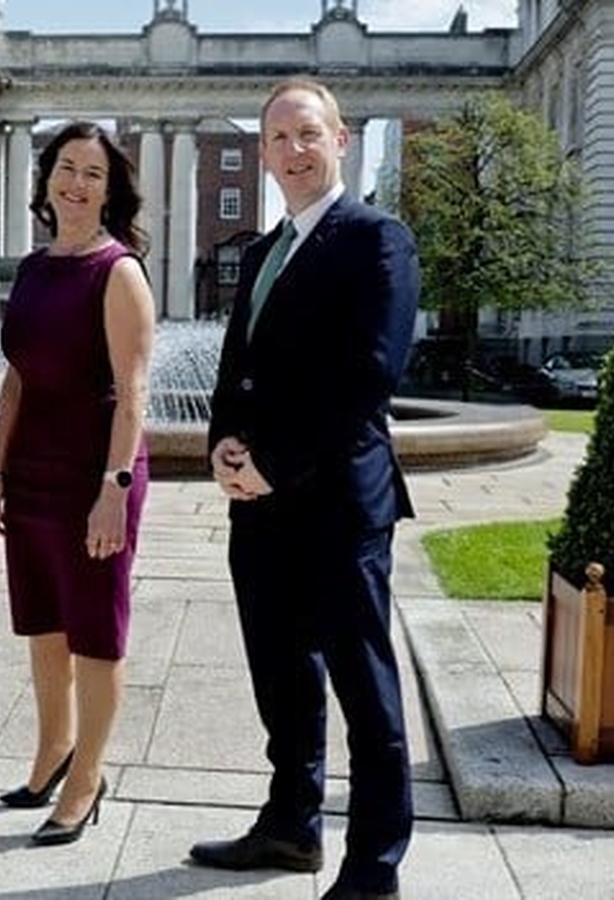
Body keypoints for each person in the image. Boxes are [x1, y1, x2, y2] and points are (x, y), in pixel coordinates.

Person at [189, 79, 420, 900]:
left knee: (364, 689)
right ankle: (291, 825)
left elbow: (368, 378)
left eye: (309, 133)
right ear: (264, 152)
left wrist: (274, 463)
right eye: (280, 138)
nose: (295, 150)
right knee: (281, 678)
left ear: (341, 140)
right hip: (261, 508)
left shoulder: (377, 240)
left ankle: (375, 867)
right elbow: (237, 368)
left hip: (339, 507)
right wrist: (222, 444)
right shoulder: (263, 252)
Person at [0, 121, 156, 847]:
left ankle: (87, 778)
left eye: (93, 174)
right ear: (46, 178)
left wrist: (114, 489)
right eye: (66, 168)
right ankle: (53, 750)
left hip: (95, 474)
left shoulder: (118, 271)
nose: (76, 184)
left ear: (109, 193)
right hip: (32, 473)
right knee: (43, 622)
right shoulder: (32, 268)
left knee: (95, 631)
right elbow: (16, 379)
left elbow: (134, 392)